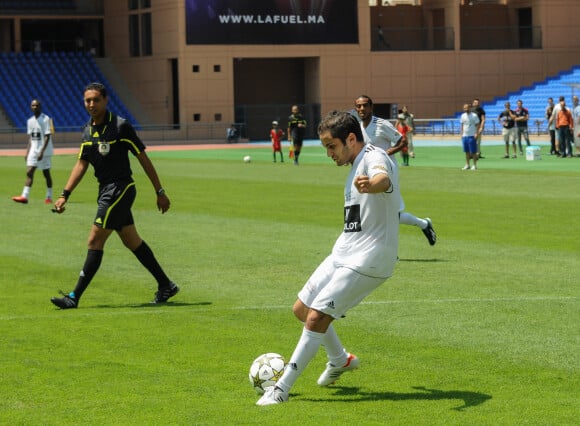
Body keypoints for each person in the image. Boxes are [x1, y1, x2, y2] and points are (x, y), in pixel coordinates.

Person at [256, 110, 400, 406]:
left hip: (370, 257)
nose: (329, 154)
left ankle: (281, 389)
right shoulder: (354, 163)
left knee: (316, 317)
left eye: (331, 146)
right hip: (344, 250)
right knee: (301, 309)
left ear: (351, 139)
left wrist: (374, 185)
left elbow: (383, 178)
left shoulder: (374, 157)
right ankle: (340, 359)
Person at [50, 82, 179, 309]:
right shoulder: (87, 131)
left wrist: (160, 192)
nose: (91, 104)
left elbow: (143, 159)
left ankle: (73, 296)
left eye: (96, 100)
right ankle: (165, 284)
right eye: (88, 100)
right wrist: (64, 195)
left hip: (121, 189)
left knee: (94, 239)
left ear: (105, 100)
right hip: (105, 191)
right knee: (132, 241)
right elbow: (81, 165)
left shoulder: (120, 126)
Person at [355, 95, 436, 246]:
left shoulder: (381, 124)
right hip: (369, 174)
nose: (362, 109)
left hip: (387, 172)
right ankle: (423, 224)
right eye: (358, 106)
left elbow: (402, 141)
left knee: (391, 213)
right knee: (376, 212)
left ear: (371, 107)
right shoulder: (358, 128)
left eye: (365, 105)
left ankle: (420, 227)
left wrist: (384, 154)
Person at [12, 99, 54, 204]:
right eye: (33, 105)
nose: (35, 107)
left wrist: (42, 151)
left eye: (37, 105)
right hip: (33, 150)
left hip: (44, 151)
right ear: (31, 107)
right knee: (29, 172)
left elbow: (48, 136)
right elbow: (31, 138)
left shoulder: (46, 119)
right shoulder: (30, 121)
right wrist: (27, 152)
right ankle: (24, 196)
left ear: (40, 107)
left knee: (46, 173)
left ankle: (49, 196)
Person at [459, 102, 480, 170]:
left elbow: (477, 124)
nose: (466, 109)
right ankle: (467, 164)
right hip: (465, 136)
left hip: (472, 135)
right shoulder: (462, 116)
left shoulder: (474, 115)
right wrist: (461, 133)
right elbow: (462, 125)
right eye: (465, 108)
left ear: (470, 108)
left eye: (467, 108)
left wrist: (476, 133)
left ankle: (474, 165)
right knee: (466, 151)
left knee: (473, 152)